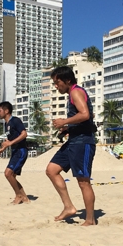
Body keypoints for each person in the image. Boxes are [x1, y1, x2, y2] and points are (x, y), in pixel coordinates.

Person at [46, 66, 96, 225]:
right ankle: (69, 207)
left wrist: (64, 121)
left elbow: (85, 114)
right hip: (74, 140)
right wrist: (68, 128)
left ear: (67, 80)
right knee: (51, 170)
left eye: (57, 82)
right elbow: (85, 117)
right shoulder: (72, 93)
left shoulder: (75, 92)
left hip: (83, 142)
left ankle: (90, 219)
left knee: (83, 182)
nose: (56, 86)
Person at [0, 101, 29, 204]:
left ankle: (18, 195)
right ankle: (24, 197)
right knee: (11, 176)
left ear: (6, 111)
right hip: (15, 151)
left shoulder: (15, 121)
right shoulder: (7, 124)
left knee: (8, 173)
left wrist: (10, 143)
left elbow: (24, 134)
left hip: (21, 151)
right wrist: (4, 148)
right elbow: (10, 141)